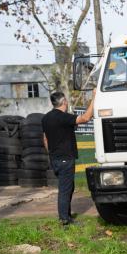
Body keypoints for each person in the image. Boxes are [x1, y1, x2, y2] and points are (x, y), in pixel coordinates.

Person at [42, 91, 95, 226]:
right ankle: (64, 219)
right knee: (65, 189)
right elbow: (85, 118)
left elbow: (45, 138)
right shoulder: (63, 117)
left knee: (68, 187)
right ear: (64, 101)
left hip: (55, 158)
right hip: (65, 158)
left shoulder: (46, 118)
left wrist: (52, 154)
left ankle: (67, 215)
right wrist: (94, 97)